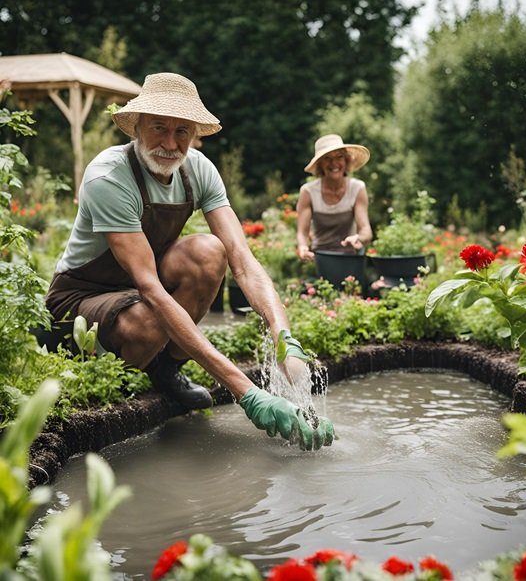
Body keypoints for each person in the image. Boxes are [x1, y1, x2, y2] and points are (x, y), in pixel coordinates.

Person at [43, 72, 334, 451]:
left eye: (182, 131)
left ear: (195, 133)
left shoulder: (198, 170)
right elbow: (150, 288)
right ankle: (129, 365)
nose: (170, 143)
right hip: (82, 297)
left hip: (139, 288)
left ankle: (166, 372)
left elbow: (243, 261)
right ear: (137, 127)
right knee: (147, 323)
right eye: (159, 128)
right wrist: (246, 391)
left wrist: (284, 338)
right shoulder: (109, 177)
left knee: (211, 252)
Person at [296, 134, 372, 261]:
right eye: (327, 158)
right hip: (319, 257)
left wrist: (358, 238)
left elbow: (365, 230)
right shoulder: (308, 192)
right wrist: (303, 247)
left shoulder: (357, 188)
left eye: (339, 157)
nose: (334, 163)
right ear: (320, 164)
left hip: (350, 256)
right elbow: (302, 232)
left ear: (346, 160)